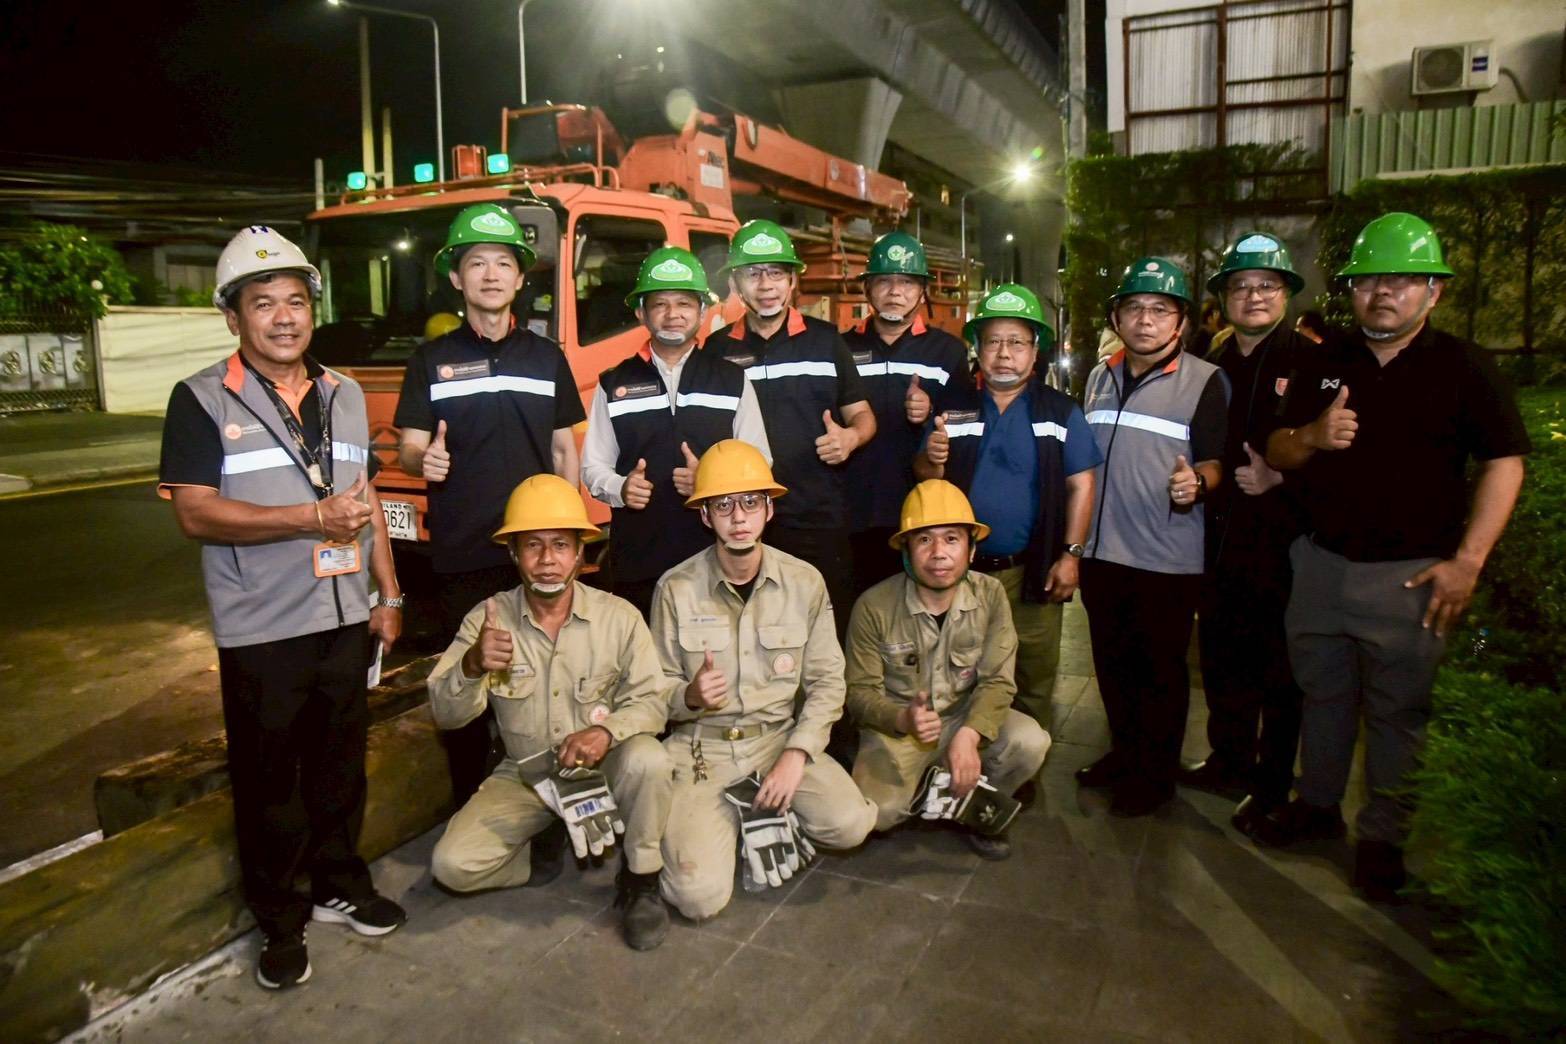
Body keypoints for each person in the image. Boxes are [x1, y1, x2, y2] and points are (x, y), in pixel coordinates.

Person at [159, 225, 407, 990]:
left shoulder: (345, 394)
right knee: (269, 783)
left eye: (295, 301)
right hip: (262, 628)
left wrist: (388, 593)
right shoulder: (201, 399)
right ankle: (279, 919)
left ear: (312, 309)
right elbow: (196, 513)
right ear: (232, 316)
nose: (283, 317)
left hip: (342, 617)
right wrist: (308, 519)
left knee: (340, 768)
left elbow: (365, 502)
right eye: (263, 303)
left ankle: (339, 883)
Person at [1256, 213, 1530, 900]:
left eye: (1403, 280)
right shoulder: (1324, 360)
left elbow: (1504, 462)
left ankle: (1383, 837)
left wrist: (1469, 561)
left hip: (1409, 576)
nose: (1383, 292)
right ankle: (1318, 806)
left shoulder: (1464, 367)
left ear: (1433, 292)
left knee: (1398, 712)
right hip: (1321, 565)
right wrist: (1313, 435)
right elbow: (1278, 449)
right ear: (1352, 290)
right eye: (1369, 280)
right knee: (1323, 696)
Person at [426, 474, 675, 949]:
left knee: (649, 759)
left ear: (580, 553)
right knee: (452, 866)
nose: (546, 560)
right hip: (527, 773)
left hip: (603, 765)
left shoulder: (619, 617)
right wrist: (472, 665)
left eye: (560, 544)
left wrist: (606, 733)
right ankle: (541, 853)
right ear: (513, 554)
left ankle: (641, 880)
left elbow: (653, 701)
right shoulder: (487, 619)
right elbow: (446, 716)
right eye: (532, 545)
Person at [392, 203, 587, 804]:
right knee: (469, 679)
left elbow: (564, 449)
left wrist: (569, 537)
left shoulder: (547, 358)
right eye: (477, 263)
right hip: (464, 548)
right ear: (457, 277)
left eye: (503, 263)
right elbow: (408, 447)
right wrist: (422, 462)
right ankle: (472, 802)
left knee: (544, 679)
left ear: (520, 278)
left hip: (536, 550)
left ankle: (550, 799)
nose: (491, 274)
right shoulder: (430, 360)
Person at [650, 440, 876, 920]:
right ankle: (731, 823)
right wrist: (688, 696)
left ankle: (763, 811)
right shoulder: (675, 587)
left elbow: (828, 682)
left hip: (777, 740)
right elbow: (655, 691)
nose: (739, 517)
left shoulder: (804, 582)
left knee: (851, 824)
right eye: (723, 505)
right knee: (697, 898)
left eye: (751, 502)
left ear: (769, 510)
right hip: (703, 751)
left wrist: (797, 754)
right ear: (705, 516)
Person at [1076, 258, 1229, 817]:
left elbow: (1216, 463)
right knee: (1112, 665)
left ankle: (1155, 776)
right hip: (1101, 552)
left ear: (1180, 321)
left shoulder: (1205, 381)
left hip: (1165, 558)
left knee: (1159, 673)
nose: (1145, 320)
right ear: (1117, 317)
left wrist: (1198, 484)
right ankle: (1124, 754)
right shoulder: (1099, 375)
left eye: (1160, 309)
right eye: (1134, 308)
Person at [913, 284, 1099, 736]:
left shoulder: (1059, 412)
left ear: (1035, 352)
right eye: (993, 341)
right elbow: (924, 476)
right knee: (958, 671)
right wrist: (932, 459)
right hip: (961, 572)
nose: (1003, 353)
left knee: (1033, 675)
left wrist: (1071, 555)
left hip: (1031, 570)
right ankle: (962, 759)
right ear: (977, 349)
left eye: (1017, 342)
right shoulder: (953, 407)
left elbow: (1082, 483)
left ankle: (1024, 760)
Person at [1178, 233, 1311, 836]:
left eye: (1267, 285)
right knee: (1221, 653)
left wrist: (1280, 479)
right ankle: (1229, 758)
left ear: (1285, 293)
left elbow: (1338, 450)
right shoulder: (1212, 359)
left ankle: (1272, 781)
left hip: (1280, 541)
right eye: (1241, 286)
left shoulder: (1310, 361)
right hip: (1215, 532)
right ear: (1224, 297)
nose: (1254, 296)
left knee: (1279, 667)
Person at [845, 480, 1051, 859]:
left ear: (971, 550)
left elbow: (998, 680)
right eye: (924, 540)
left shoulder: (990, 596)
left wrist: (970, 735)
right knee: (878, 814)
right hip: (899, 730)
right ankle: (934, 785)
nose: (939, 553)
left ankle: (972, 806)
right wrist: (901, 718)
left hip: (963, 716)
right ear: (906, 551)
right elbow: (858, 694)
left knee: (1029, 742)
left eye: (952, 539)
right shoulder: (874, 606)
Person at [581, 245, 771, 619]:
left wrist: (712, 481)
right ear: (641, 313)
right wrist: (620, 488)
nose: (673, 315)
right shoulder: (613, 383)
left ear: (702, 311)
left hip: (714, 557)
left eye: (684, 303)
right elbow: (593, 467)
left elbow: (760, 461)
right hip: (638, 557)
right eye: (660, 304)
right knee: (642, 651)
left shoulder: (731, 380)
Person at [710, 219, 876, 628]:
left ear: (793, 281)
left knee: (826, 622)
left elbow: (863, 415)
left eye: (776, 273)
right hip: (742, 518)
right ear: (735, 282)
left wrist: (851, 438)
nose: (766, 284)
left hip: (816, 514)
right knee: (751, 625)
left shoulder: (826, 341)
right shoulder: (716, 350)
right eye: (753, 273)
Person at [841, 231, 972, 597]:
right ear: (867, 288)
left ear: (922, 291)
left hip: (919, 518)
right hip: (852, 512)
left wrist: (931, 412)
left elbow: (963, 432)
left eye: (907, 282)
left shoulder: (947, 352)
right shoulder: (841, 348)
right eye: (884, 281)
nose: (895, 292)